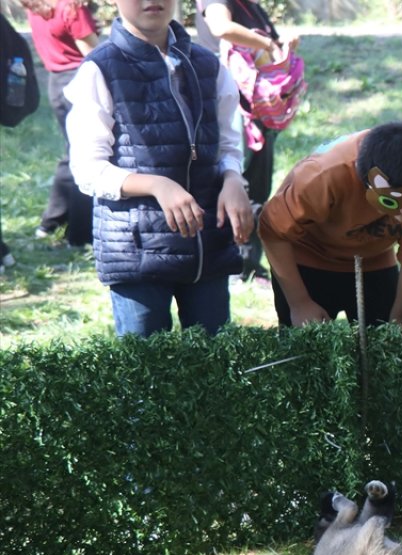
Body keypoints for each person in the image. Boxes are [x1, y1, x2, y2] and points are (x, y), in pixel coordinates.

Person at [65, 0, 254, 337]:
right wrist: (157, 185)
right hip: (138, 252)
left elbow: (228, 144)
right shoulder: (100, 69)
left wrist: (233, 178)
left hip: (207, 243)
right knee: (146, 374)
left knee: (215, 367)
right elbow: (87, 168)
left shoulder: (208, 64)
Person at [258, 122, 402, 327]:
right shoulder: (323, 175)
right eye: (390, 203)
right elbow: (273, 230)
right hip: (308, 257)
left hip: (374, 257)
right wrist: (299, 303)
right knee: (304, 352)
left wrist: (400, 315)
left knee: (386, 347)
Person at [195, 0, 299, 281]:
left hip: (259, 110)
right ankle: (237, 265)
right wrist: (266, 44)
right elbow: (221, 27)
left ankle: (249, 263)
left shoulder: (252, 6)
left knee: (257, 188)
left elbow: (270, 49)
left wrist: (282, 47)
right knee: (239, 184)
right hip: (233, 109)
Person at [22, 0, 98, 247]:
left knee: (72, 154)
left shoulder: (37, 5)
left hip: (57, 83)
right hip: (80, 81)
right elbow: (95, 54)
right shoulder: (71, 8)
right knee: (88, 157)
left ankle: (51, 221)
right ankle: (80, 234)